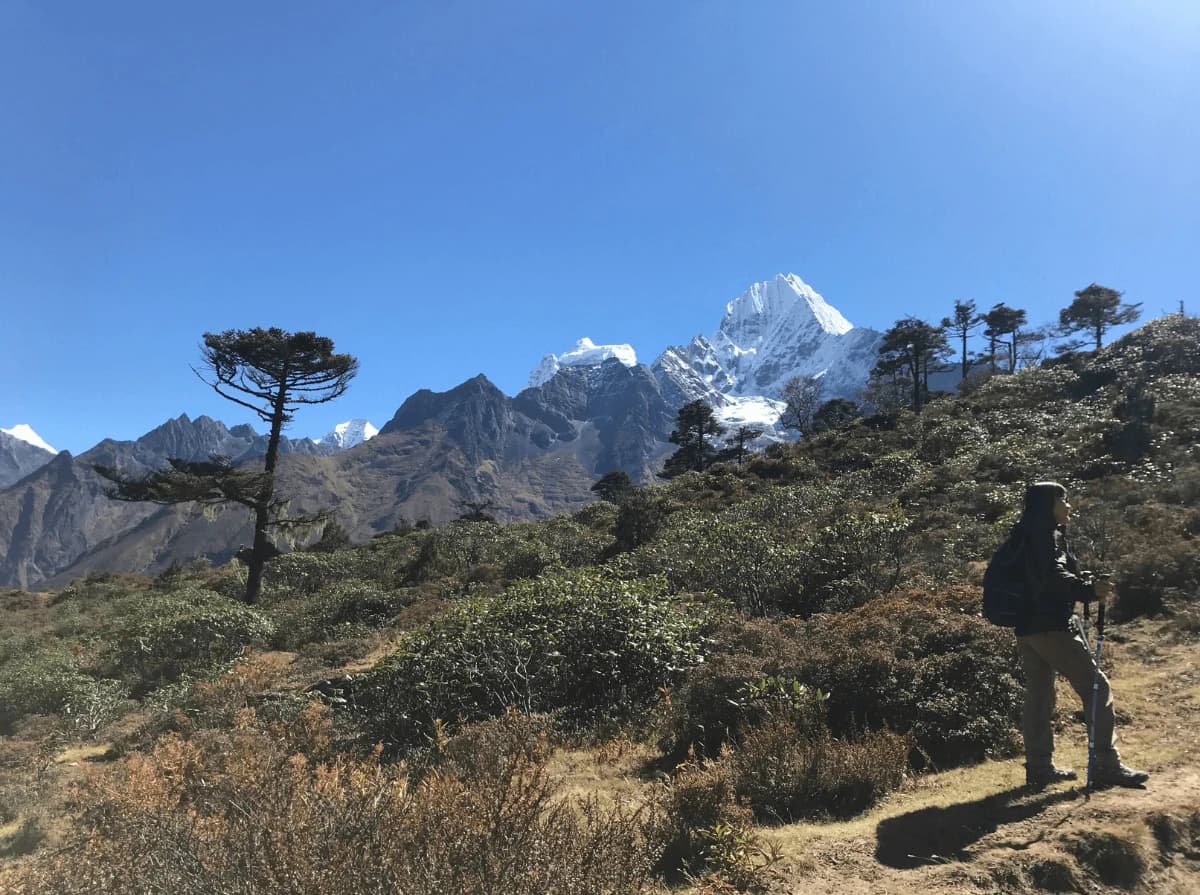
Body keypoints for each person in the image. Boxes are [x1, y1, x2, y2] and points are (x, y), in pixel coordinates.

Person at [1011, 481, 1149, 789]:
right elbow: (1053, 576)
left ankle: (1039, 767)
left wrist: (1078, 583)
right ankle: (1106, 763)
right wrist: (1086, 589)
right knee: (1096, 686)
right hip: (1052, 626)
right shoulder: (1045, 535)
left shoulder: (1022, 534)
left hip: (1027, 627)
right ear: (1050, 504)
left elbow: (1044, 576)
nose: (1069, 506)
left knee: (1040, 695)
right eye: (1064, 500)